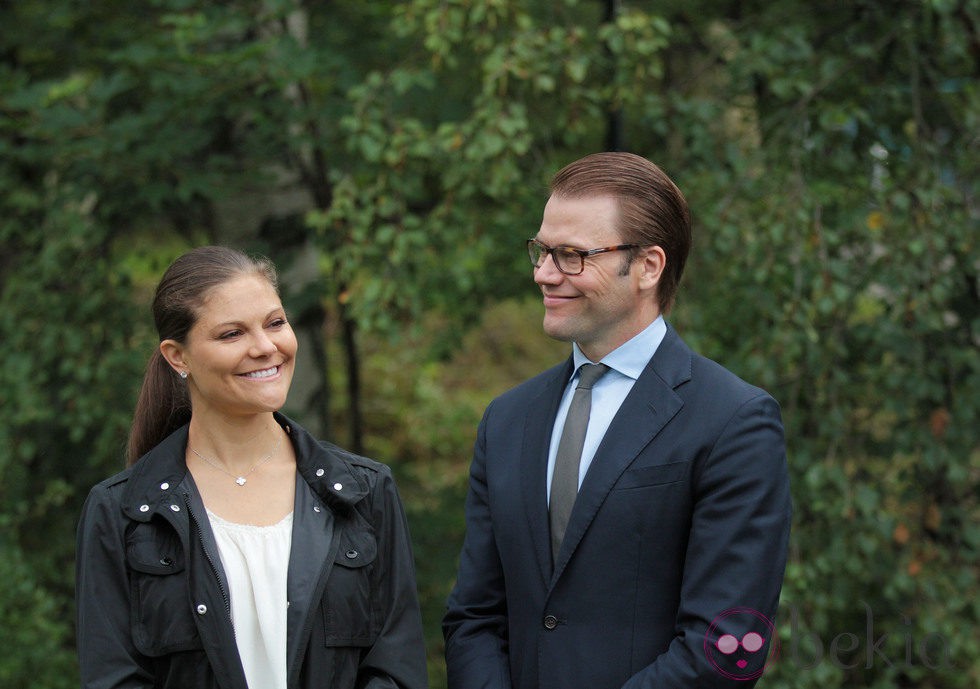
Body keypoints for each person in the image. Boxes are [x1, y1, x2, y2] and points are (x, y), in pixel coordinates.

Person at [442, 152, 792, 689]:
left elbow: (726, 644)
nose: (543, 273)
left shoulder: (733, 422)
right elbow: (474, 616)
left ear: (649, 266)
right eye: (541, 251)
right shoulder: (507, 421)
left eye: (571, 255)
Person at [76, 246, 428, 689]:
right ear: (177, 356)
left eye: (275, 323)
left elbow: (396, 671)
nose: (266, 347)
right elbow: (115, 678)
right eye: (231, 334)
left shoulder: (364, 492)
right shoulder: (121, 511)